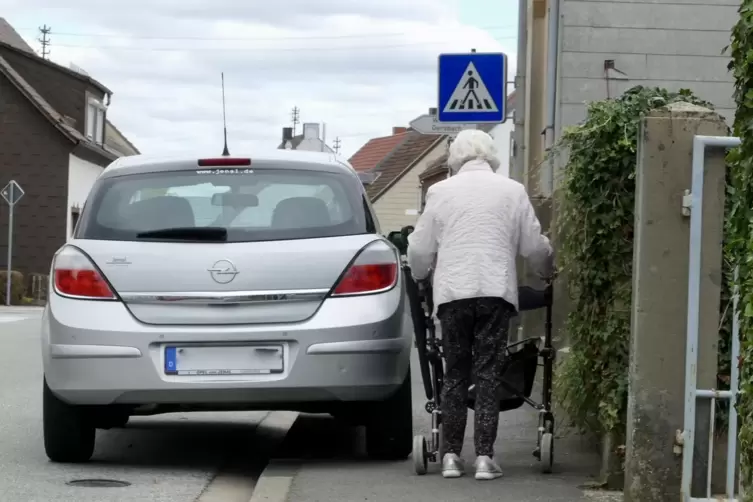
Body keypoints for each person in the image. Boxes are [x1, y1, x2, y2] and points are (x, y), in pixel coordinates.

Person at [407, 129, 554, 481]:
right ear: (491, 156)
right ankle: (486, 458)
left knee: (455, 373)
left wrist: (420, 275)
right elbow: (534, 246)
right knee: (488, 374)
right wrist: (546, 271)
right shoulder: (512, 191)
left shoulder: (439, 192)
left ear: (455, 158)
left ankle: (451, 458)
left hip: (453, 296)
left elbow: (420, 250)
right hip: (494, 293)